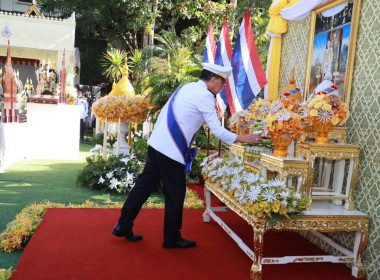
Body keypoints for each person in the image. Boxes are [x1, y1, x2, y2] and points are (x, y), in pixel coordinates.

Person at [112, 63, 262, 249]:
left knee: (143, 187)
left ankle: (123, 224)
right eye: (222, 82)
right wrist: (244, 138)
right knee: (175, 194)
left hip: (156, 145)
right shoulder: (206, 97)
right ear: (213, 79)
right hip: (172, 151)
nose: (223, 87)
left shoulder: (187, 86)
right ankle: (171, 238)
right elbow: (216, 130)